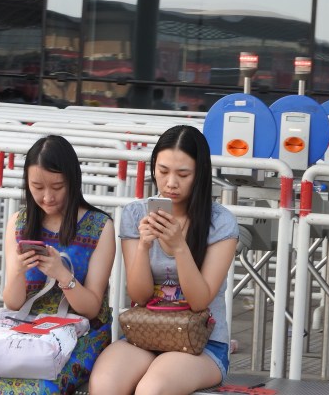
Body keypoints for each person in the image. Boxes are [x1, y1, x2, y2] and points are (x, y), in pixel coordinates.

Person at [0, 135, 116, 395]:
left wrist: (63, 275)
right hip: (25, 325)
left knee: (41, 386)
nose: (48, 197)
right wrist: (18, 272)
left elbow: (90, 309)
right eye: (37, 187)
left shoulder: (100, 226)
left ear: (73, 182)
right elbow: (13, 303)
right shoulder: (19, 222)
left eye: (57, 186)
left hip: (81, 332)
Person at [89, 125, 239, 394]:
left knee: (152, 389)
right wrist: (144, 246)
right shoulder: (136, 214)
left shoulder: (220, 222)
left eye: (183, 174)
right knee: (104, 384)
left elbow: (199, 301)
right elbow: (139, 295)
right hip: (147, 333)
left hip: (202, 343)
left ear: (200, 174)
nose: (171, 183)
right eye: (163, 171)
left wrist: (180, 248)